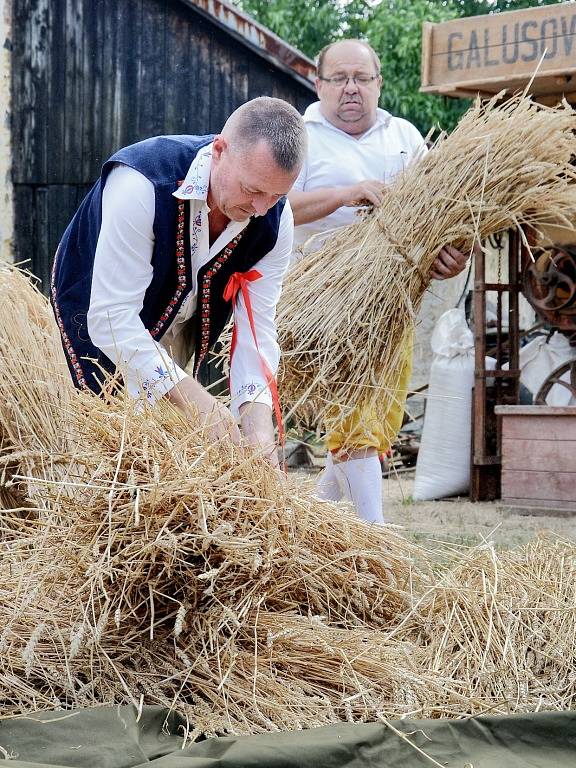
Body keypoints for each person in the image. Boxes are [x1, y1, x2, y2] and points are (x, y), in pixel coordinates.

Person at [51, 97, 307, 466]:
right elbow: (111, 316)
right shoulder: (141, 183)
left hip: (179, 318)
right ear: (219, 150)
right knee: (101, 439)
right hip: (95, 306)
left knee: (166, 447)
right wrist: (198, 399)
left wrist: (257, 422)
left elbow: (257, 328)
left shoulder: (275, 220)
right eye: (252, 190)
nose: (262, 209)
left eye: (277, 195)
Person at [288, 40, 468, 522]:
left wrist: (445, 257)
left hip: (394, 302)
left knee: (379, 423)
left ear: (378, 83)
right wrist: (350, 193)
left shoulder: (405, 137)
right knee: (357, 424)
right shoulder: (298, 136)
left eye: (361, 79)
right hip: (326, 304)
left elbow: (440, 217)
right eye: (340, 78)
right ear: (319, 83)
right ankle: (378, 537)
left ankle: (307, 521)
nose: (351, 89)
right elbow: (274, 206)